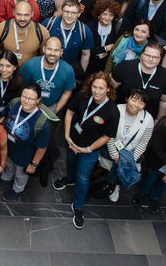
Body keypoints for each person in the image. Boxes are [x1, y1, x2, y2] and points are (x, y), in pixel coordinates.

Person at [54, 72, 119, 229]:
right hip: (72, 141)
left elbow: (107, 136)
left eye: (101, 88)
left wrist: (87, 149)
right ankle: (69, 179)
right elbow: (69, 113)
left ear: (108, 89)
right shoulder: (83, 96)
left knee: (83, 177)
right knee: (70, 163)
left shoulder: (112, 111)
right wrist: (67, 135)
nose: (97, 91)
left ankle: (78, 207)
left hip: (90, 150)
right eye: (94, 87)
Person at [0, 83, 56, 201]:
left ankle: (17, 189)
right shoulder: (14, 103)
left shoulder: (42, 124)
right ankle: (6, 177)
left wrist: (34, 164)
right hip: (8, 147)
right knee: (8, 164)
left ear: (38, 100)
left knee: (21, 174)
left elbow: (42, 147)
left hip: (25, 155)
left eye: (31, 99)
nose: (25, 101)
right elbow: (4, 118)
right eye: (24, 96)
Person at [100, 88, 154, 203]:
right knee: (114, 166)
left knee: (123, 168)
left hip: (130, 154)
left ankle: (115, 185)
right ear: (127, 99)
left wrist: (129, 160)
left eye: (141, 102)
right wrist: (115, 155)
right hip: (111, 149)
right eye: (134, 100)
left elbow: (144, 143)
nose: (137, 105)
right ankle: (112, 182)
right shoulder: (116, 110)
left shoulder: (148, 119)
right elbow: (109, 136)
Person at [110, 43, 166, 117]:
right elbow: (110, 88)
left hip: (146, 119)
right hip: (119, 113)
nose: (150, 59)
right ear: (141, 55)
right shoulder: (125, 67)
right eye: (147, 55)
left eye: (155, 57)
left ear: (160, 59)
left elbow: (165, 101)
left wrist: (158, 120)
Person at [21, 37, 76, 113]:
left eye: (56, 50)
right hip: (29, 105)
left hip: (53, 107)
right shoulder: (30, 65)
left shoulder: (68, 70)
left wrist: (53, 111)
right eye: (49, 49)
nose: (52, 53)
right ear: (44, 49)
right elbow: (21, 86)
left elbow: (67, 93)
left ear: (61, 52)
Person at [43, 0, 94, 73]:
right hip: (47, 66)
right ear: (62, 11)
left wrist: (81, 74)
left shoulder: (85, 31)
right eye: (66, 12)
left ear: (79, 14)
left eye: (73, 13)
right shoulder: (48, 24)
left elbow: (85, 55)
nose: (69, 16)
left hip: (70, 69)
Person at [87, 0, 122, 74]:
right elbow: (87, 49)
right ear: (99, 14)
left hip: (107, 66)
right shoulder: (90, 26)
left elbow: (116, 49)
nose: (107, 18)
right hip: (89, 64)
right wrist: (105, 48)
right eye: (105, 14)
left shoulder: (117, 27)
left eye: (111, 15)